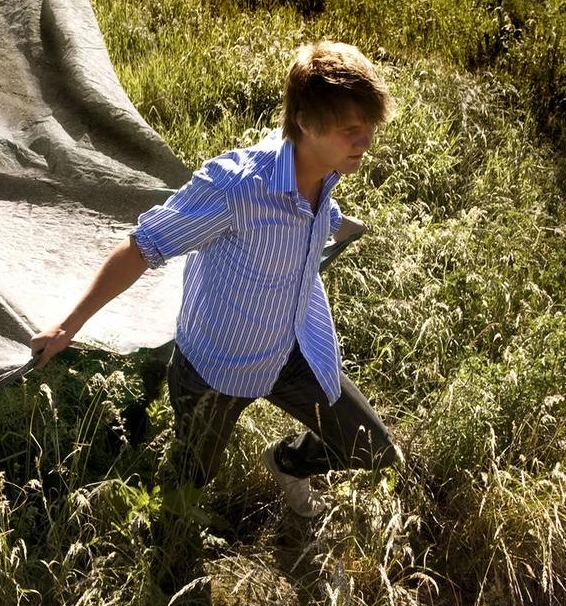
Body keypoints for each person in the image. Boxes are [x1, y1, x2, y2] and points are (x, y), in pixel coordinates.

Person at [29, 41, 401, 518]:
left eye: (369, 126)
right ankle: (171, 560)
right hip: (214, 369)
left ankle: (286, 463)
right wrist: (68, 326)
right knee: (188, 489)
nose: (365, 141)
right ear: (307, 123)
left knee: (372, 448)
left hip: (291, 351)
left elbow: (307, 212)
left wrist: (335, 222)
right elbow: (142, 246)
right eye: (353, 130)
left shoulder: (325, 169)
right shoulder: (236, 187)